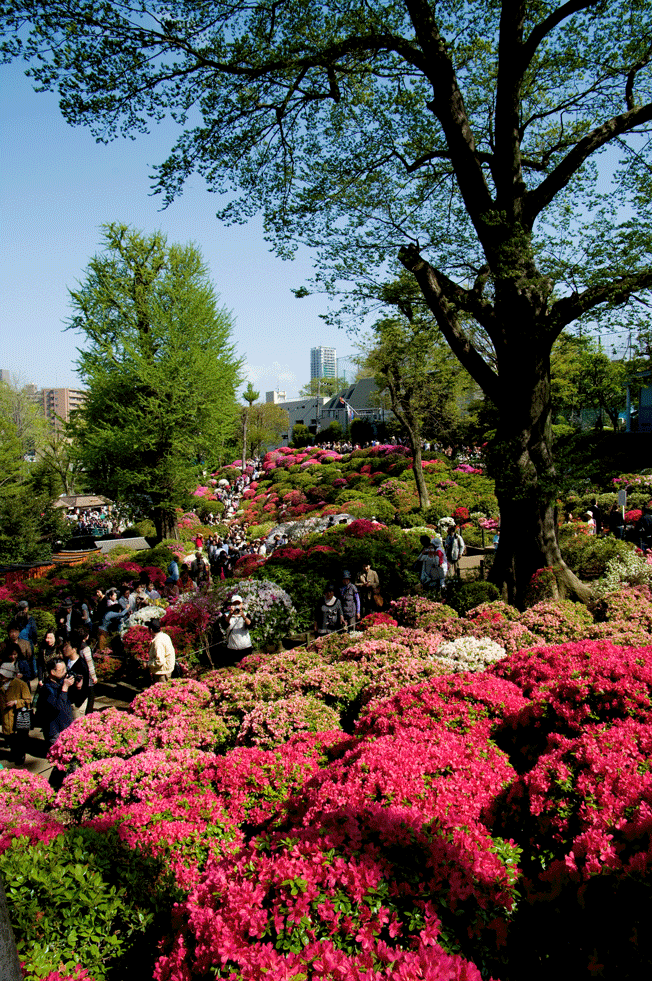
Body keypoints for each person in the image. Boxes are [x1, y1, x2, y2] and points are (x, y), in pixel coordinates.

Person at [40, 656, 77, 751]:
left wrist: (77, 686)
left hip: (67, 727)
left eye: (66, 669)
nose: (65, 672)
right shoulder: (47, 689)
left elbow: (72, 700)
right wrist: (65, 688)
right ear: (52, 672)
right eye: (62, 670)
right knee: (60, 760)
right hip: (55, 731)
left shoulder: (61, 683)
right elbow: (58, 707)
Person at [0, 660, 32, 765]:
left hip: (18, 718)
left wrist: (16, 702)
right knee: (10, 739)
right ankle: (14, 754)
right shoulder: (1, 685)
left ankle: (20, 756)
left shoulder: (21, 684)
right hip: (5, 717)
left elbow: (28, 700)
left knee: (19, 740)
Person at [63, 640, 90, 719]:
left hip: (77, 702)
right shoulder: (65, 662)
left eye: (66, 647)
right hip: (67, 701)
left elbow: (84, 686)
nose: (64, 649)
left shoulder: (81, 664)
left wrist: (77, 704)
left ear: (74, 649)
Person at [221, 595, 253, 662]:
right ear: (231, 605)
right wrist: (230, 614)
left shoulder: (246, 614)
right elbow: (224, 626)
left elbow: (250, 625)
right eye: (234, 604)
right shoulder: (226, 615)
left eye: (238, 604)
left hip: (246, 647)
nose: (237, 606)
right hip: (232, 649)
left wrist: (243, 616)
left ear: (241, 604)